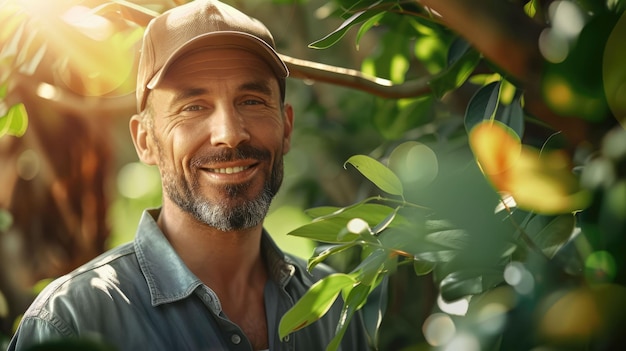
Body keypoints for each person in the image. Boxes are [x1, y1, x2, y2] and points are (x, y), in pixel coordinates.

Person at [7, 1, 370, 350]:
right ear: (145, 141)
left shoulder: (334, 308)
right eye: (193, 107)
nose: (229, 132)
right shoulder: (73, 321)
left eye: (251, 101)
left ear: (286, 127)